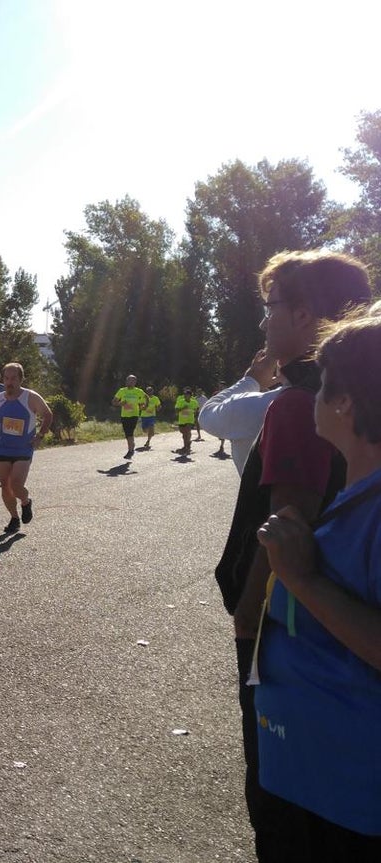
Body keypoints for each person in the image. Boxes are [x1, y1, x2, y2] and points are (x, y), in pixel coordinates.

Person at [212, 250, 371, 858]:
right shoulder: (352, 401)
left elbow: (284, 529)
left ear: (304, 313)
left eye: (271, 308)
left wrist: (247, 628)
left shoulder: (296, 407)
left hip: (290, 631)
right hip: (346, 628)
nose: (265, 324)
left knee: (279, 804)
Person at [253, 309, 381, 857]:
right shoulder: (357, 492)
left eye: (322, 384)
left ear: (346, 400)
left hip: (349, 794)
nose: (312, 398)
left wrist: (301, 577)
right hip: (315, 772)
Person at [0, 363, 52, 533]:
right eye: (6, 378)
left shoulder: (31, 397)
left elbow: (47, 415)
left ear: (21, 379)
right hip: (3, 448)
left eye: (13, 378)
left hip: (23, 449)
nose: (9, 382)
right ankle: (14, 518)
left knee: (16, 485)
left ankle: (25, 501)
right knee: (5, 486)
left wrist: (40, 436)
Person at [198, 348, 283, 475]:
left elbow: (206, 415)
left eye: (272, 328)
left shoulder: (249, 406)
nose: (262, 326)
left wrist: (250, 381)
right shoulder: (317, 399)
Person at [112, 374, 146, 459]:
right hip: (124, 415)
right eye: (128, 380)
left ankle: (130, 451)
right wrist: (120, 403)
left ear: (135, 382)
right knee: (127, 433)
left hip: (134, 415)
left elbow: (146, 399)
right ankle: (132, 445)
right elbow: (114, 402)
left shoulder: (139, 391)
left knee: (130, 432)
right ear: (126, 381)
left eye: (132, 381)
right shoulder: (122, 391)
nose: (129, 382)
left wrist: (144, 406)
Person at [174, 386, 199, 455]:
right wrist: (183, 408)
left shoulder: (194, 402)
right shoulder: (180, 401)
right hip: (181, 420)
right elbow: (176, 411)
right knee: (183, 434)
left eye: (187, 395)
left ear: (190, 396)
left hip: (190, 420)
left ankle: (186, 447)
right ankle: (188, 443)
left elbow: (197, 409)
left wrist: (196, 415)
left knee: (187, 432)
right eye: (185, 395)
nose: (185, 396)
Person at [138, 386, 161, 450]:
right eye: (148, 391)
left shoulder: (155, 398)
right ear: (146, 391)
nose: (149, 392)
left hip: (152, 416)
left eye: (150, 391)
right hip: (144, 416)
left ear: (152, 391)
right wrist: (142, 407)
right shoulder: (143, 398)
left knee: (151, 428)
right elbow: (139, 405)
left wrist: (158, 408)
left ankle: (148, 441)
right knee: (144, 430)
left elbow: (158, 405)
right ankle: (150, 432)